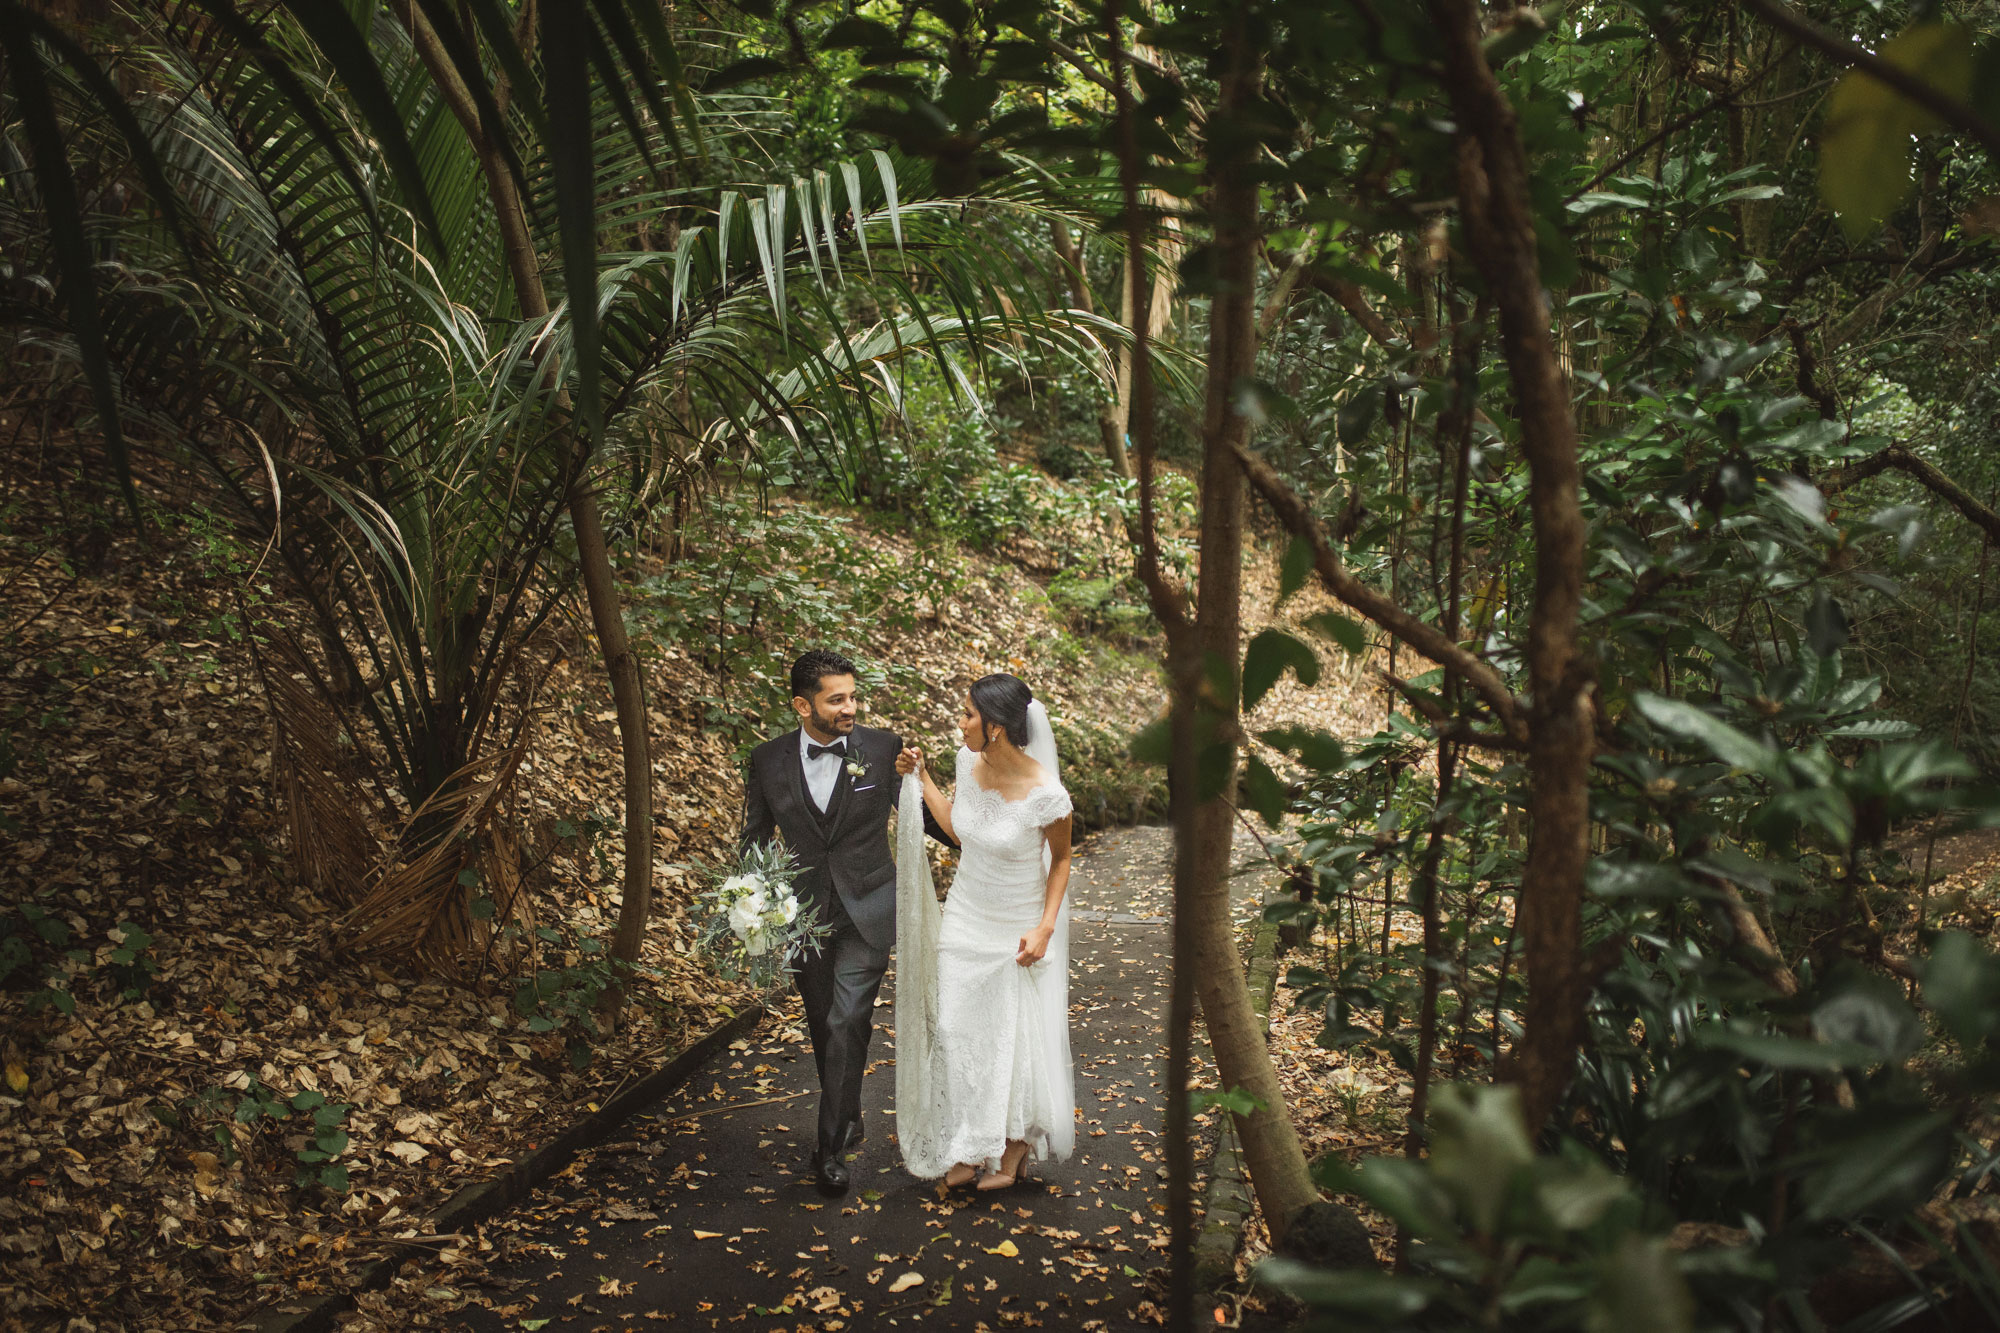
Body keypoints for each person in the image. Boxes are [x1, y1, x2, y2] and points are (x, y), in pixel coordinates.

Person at [739, 650, 952, 1196]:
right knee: (824, 1025)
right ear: (802, 705)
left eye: (854, 696)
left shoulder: (882, 749)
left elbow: (922, 817)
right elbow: (756, 840)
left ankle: (829, 1148)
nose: (850, 707)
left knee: (845, 1019)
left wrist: (972, 835)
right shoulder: (765, 760)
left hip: (869, 906)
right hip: (801, 915)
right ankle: (850, 1112)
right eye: (837, 699)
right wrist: (749, 900)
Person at [892, 673, 1077, 1191]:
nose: (961, 721)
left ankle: (1012, 1149)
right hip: (966, 916)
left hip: (1016, 927)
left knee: (1010, 1037)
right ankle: (970, 1144)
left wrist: (1044, 927)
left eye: (969, 714)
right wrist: (922, 778)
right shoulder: (964, 765)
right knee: (956, 1029)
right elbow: (958, 828)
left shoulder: (1048, 795)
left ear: (995, 726)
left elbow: (1061, 861)